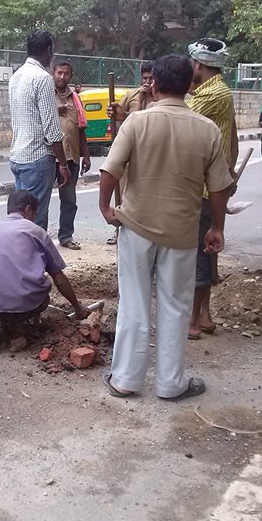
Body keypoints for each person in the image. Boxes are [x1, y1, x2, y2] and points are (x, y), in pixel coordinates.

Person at [99, 54, 233, 400]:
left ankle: (125, 379)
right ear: (190, 85)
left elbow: (110, 170)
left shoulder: (136, 122)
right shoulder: (207, 129)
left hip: (137, 228)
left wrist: (106, 208)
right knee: (175, 304)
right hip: (182, 232)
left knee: (134, 301)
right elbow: (219, 187)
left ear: (154, 84)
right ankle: (171, 384)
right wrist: (216, 227)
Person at [0, 189, 90, 345]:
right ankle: (22, 322)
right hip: (32, 306)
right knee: (42, 289)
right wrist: (77, 307)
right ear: (28, 209)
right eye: (35, 214)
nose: (34, 218)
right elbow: (59, 278)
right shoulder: (38, 232)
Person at [185, 38, 238, 340]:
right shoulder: (218, 91)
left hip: (204, 189)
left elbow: (180, 117)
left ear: (198, 64)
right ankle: (204, 315)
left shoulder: (211, 95)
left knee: (199, 253)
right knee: (207, 250)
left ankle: (193, 320)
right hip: (214, 185)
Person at [8, 30, 70, 232]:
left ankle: (18, 258)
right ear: (48, 50)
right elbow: (51, 129)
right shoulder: (43, 78)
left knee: (19, 218)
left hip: (18, 156)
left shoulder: (16, 76)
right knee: (35, 218)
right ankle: (33, 261)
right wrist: (62, 164)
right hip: (37, 158)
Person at [105, 60, 155, 245]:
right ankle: (121, 231)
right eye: (145, 78)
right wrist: (115, 113)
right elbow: (121, 119)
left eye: (151, 78)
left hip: (151, 157)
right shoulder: (132, 95)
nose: (148, 82)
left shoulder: (161, 98)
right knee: (125, 195)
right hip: (130, 157)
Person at [53, 60, 91, 250]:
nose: (62, 77)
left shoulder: (75, 98)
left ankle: (66, 236)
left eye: (66, 74)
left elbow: (81, 128)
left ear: (70, 76)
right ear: (53, 73)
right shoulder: (46, 95)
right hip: (49, 157)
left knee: (69, 200)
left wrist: (86, 155)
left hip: (71, 157)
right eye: (59, 73)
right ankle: (34, 238)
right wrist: (55, 110)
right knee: (38, 199)